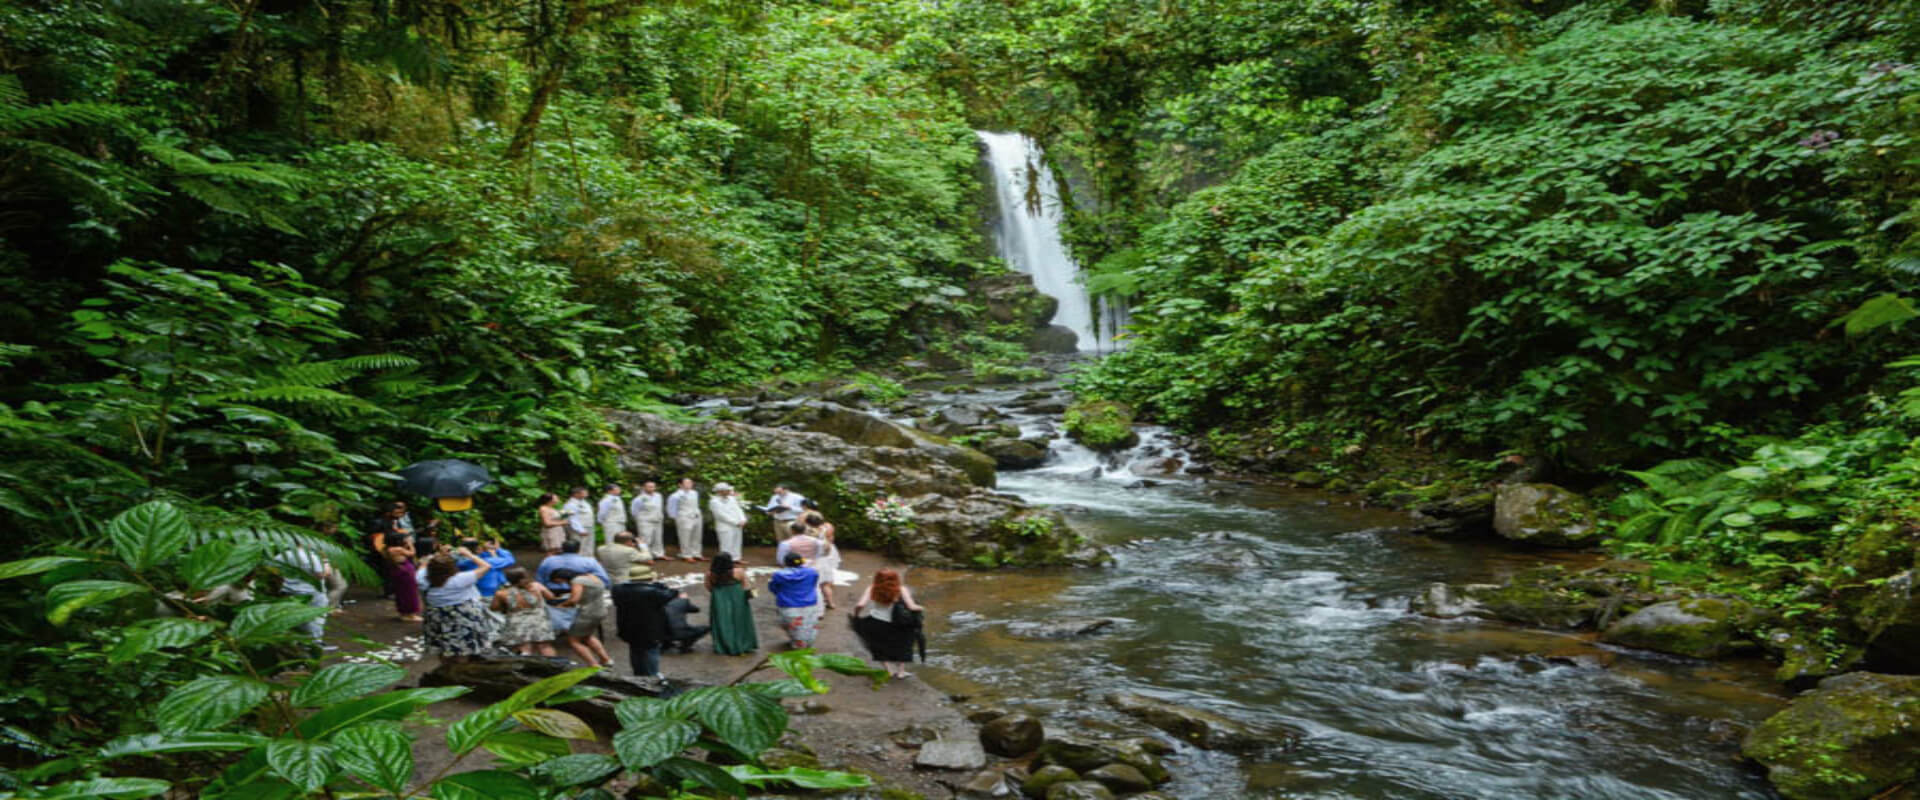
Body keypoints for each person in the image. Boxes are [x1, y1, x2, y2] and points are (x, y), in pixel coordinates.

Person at [417, 548, 495, 662]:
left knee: (443, 646)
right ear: (452, 568)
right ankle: (459, 671)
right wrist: (469, 554)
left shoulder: (422, 579)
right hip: (461, 616)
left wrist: (432, 559)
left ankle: (445, 669)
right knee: (462, 648)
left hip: (436, 616)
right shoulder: (459, 579)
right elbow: (486, 566)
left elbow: (422, 567)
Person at [853, 568, 925, 679]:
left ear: (877, 578)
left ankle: (889, 670)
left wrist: (856, 615)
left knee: (878, 646)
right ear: (896, 579)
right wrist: (921, 608)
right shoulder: (901, 589)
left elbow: (860, 605)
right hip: (897, 623)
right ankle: (901, 672)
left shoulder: (872, 588)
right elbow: (911, 606)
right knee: (904, 645)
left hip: (876, 622)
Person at [611, 578, 677, 678]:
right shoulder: (653, 592)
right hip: (649, 630)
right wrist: (660, 586)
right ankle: (653, 675)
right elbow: (671, 593)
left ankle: (638, 673)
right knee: (651, 651)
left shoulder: (618, 590)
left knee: (635, 650)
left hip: (629, 628)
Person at [551, 567, 614, 667]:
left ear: (561, 577)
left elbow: (574, 599)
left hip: (587, 613)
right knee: (587, 636)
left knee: (574, 640)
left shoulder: (577, 581)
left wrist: (561, 605)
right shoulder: (591, 576)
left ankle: (593, 665)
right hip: (600, 610)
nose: (561, 583)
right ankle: (606, 660)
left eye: (559, 581)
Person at [491, 566, 558, 657]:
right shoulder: (537, 586)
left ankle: (526, 668)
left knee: (524, 647)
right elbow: (551, 597)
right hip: (539, 619)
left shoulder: (502, 593)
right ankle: (556, 667)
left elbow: (494, 608)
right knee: (544, 646)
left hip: (517, 621)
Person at [274, 548, 332, 644]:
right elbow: (322, 574)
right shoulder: (310, 556)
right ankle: (314, 643)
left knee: (294, 619)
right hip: (312, 592)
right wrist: (325, 561)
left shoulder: (281, 556)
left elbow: (274, 573)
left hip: (289, 591)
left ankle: (296, 643)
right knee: (315, 618)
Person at [705, 553, 758, 655]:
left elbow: (709, 587)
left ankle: (724, 646)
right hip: (737, 597)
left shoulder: (710, 574)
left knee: (722, 621)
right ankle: (743, 644)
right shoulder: (739, 572)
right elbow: (745, 585)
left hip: (719, 598)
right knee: (740, 620)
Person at [770, 552, 821, 650]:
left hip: (788, 605)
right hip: (809, 603)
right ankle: (806, 645)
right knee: (809, 625)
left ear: (786, 563)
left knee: (794, 628)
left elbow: (773, 588)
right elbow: (813, 584)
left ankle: (798, 645)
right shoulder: (812, 572)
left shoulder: (779, 575)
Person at [536, 540, 611, 595]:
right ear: (578, 550)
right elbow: (604, 580)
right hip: (580, 592)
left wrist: (544, 592)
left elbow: (539, 579)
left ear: (562, 549)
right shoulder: (590, 561)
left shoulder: (548, 560)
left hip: (552, 591)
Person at [804, 508, 841, 610]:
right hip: (825, 558)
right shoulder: (827, 527)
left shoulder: (806, 532)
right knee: (826, 584)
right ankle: (830, 602)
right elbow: (830, 541)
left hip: (813, 559)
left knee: (814, 585)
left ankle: (816, 606)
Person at [386, 533, 423, 622]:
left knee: (402, 593)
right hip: (405, 571)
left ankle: (404, 613)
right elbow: (412, 553)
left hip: (399, 570)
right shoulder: (398, 549)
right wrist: (410, 544)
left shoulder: (388, 549)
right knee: (410, 593)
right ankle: (411, 614)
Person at [666, 477, 703, 562]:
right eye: (687, 483)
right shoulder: (675, 496)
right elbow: (671, 508)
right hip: (684, 517)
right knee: (685, 537)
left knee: (697, 536)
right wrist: (677, 518)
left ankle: (696, 553)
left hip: (696, 516)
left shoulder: (694, 493)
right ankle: (686, 555)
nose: (690, 484)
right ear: (680, 485)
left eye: (691, 482)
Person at [708, 482, 748, 561]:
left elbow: (738, 509)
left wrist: (743, 519)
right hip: (725, 526)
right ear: (720, 491)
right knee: (726, 545)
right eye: (726, 490)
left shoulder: (732, 499)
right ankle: (726, 561)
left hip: (738, 525)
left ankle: (736, 559)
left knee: (737, 543)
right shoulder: (714, 502)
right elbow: (721, 515)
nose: (729, 491)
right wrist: (736, 522)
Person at [629, 480, 666, 561]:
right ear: (644, 487)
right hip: (645, 521)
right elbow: (634, 511)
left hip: (657, 520)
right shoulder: (639, 499)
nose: (652, 488)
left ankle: (659, 554)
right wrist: (641, 519)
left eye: (653, 486)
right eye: (649, 487)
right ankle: (646, 556)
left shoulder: (658, 495)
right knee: (646, 539)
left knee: (658, 538)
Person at [562, 486, 596, 558]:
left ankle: (589, 561)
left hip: (588, 526)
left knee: (589, 546)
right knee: (580, 546)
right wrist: (580, 530)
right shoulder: (569, 504)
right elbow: (571, 518)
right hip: (579, 529)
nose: (587, 493)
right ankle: (578, 562)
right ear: (576, 494)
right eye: (584, 492)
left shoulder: (585, 502)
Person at [597, 483, 626, 550]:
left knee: (621, 540)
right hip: (611, 523)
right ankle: (611, 557)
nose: (619, 490)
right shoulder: (606, 500)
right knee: (611, 540)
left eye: (619, 489)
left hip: (620, 522)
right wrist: (603, 522)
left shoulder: (617, 498)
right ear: (609, 491)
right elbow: (602, 512)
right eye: (616, 489)